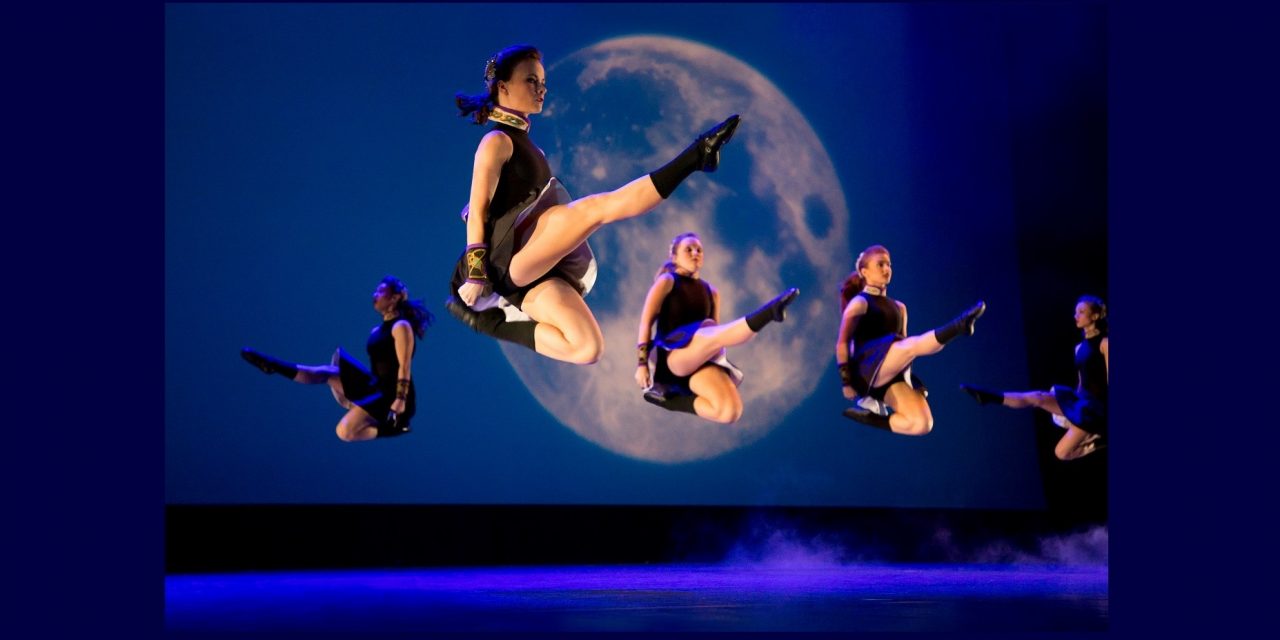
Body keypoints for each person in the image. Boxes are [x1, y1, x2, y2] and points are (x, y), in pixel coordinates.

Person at [446, 44, 741, 365]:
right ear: (503, 87)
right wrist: (476, 276)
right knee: (597, 209)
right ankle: (697, 155)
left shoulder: (534, 151)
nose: (541, 89)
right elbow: (478, 211)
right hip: (506, 259)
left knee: (587, 347)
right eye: (531, 81)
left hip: (533, 267)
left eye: (543, 82)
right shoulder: (496, 141)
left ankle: (488, 320)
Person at [240, 276, 433, 442]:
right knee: (327, 372)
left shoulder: (401, 327)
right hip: (375, 385)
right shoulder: (376, 331)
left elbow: (404, 364)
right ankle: (273, 365)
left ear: (394, 298)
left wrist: (400, 399)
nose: (375, 294)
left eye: (381, 291)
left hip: (392, 395)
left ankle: (395, 428)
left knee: (344, 432)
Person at [634, 232, 799, 423]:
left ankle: (672, 402)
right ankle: (768, 313)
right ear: (674, 256)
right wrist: (642, 364)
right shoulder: (667, 281)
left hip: (701, 357)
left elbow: (718, 337)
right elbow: (646, 322)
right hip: (674, 358)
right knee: (710, 332)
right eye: (688, 249)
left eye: (699, 250)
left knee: (730, 411)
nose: (695, 253)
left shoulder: (712, 292)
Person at [836, 245, 986, 435]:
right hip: (867, 371)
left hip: (892, 372)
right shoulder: (860, 302)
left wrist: (910, 382)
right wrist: (846, 381)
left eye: (889, 264)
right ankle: (958, 326)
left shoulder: (900, 308)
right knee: (909, 347)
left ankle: (872, 419)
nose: (886, 269)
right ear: (864, 271)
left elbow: (905, 350)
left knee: (922, 424)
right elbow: (842, 344)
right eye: (880, 264)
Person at [960, 295, 1109, 460]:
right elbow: (1083, 381)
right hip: (1083, 403)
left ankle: (1101, 441)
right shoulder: (1079, 348)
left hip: (1097, 411)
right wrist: (1075, 404)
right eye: (1076, 312)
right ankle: (991, 396)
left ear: (1095, 316)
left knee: (1061, 453)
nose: (1076, 316)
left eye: (1081, 312)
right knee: (1037, 397)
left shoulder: (1105, 343)